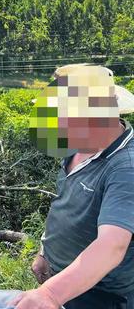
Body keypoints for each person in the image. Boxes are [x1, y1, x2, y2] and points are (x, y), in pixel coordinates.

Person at [10, 64, 134, 309]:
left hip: (102, 297)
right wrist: (45, 252)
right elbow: (64, 203)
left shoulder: (126, 167)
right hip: (67, 284)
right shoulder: (77, 147)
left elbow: (112, 244)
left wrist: (51, 294)